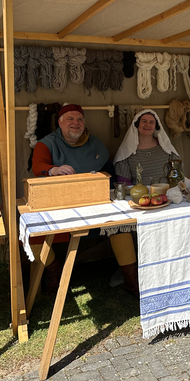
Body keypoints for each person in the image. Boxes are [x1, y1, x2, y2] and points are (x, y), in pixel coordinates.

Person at [32, 104, 138, 296]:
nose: (76, 123)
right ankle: (54, 268)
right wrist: (53, 170)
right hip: (60, 205)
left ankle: (131, 280)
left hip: (94, 203)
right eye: (70, 119)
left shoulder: (94, 143)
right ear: (60, 123)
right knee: (32, 231)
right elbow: (38, 165)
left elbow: (109, 171)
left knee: (119, 225)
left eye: (80, 119)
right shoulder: (47, 143)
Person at [114, 110, 180, 186]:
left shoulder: (166, 149)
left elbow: (177, 175)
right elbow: (124, 182)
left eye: (151, 122)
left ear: (155, 126)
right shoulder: (126, 152)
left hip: (166, 191)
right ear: (137, 124)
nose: (147, 125)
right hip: (138, 192)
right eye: (144, 121)